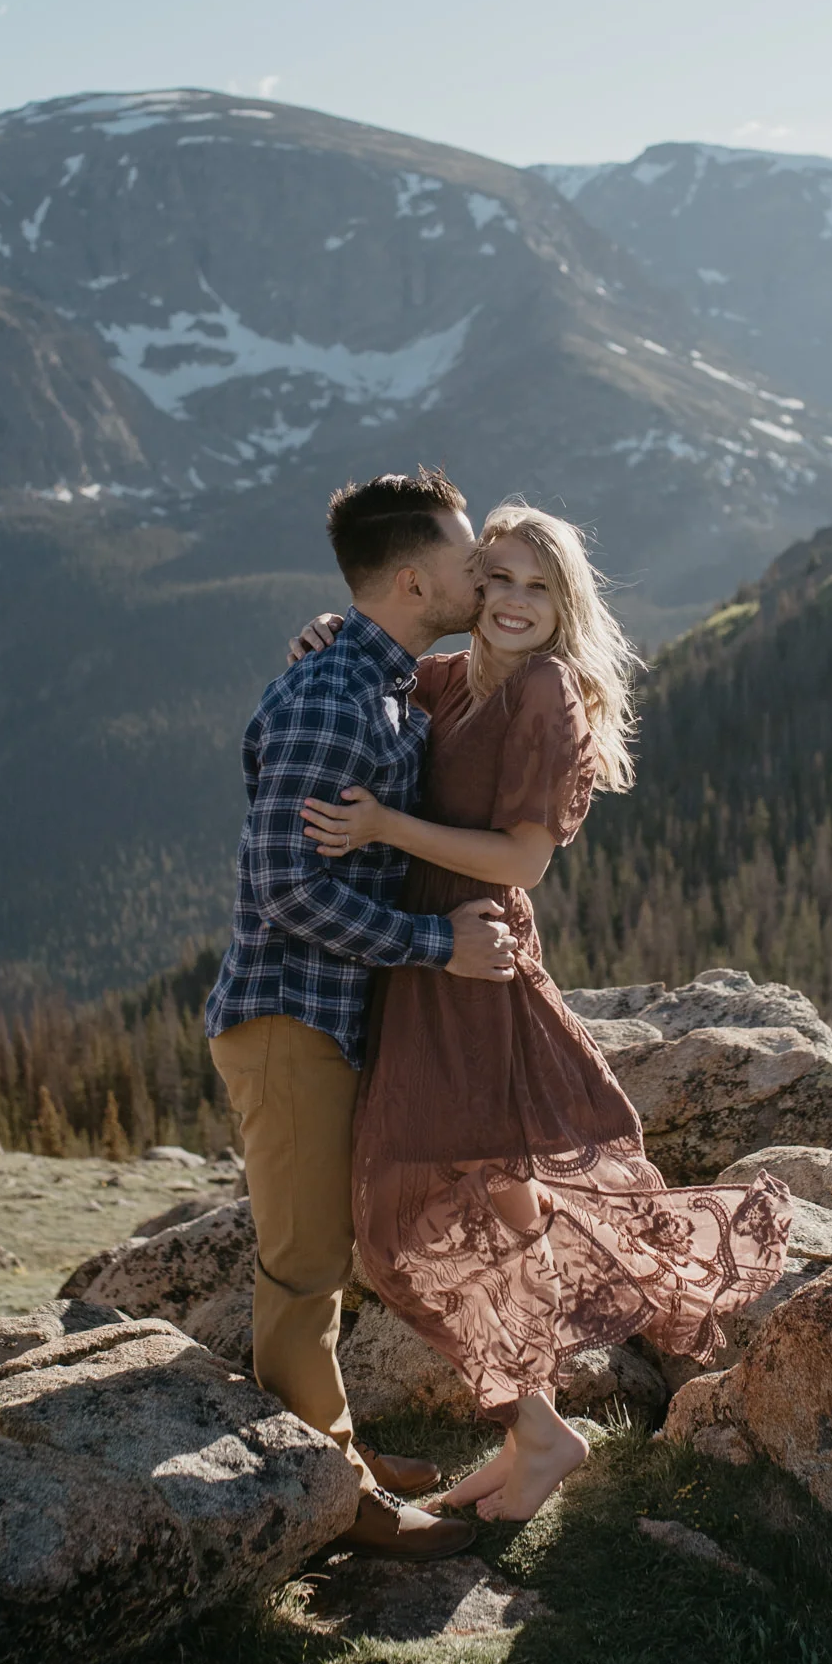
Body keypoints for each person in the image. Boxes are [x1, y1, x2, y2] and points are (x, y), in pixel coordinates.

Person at [293, 501, 793, 1523]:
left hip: (473, 963)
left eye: (538, 585)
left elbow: (525, 858)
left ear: (566, 602)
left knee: (405, 1216)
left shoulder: (548, 691)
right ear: (471, 586)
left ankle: (539, 1425)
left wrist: (385, 822)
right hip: (427, 963)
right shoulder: (455, 678)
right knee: (490, 1197)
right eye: (499, 578)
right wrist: (323, 638)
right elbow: (384, 657)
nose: (514, 602)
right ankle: (537, 1431)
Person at [205, 467, 518, 1561]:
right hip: (288, 1018)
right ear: (412, 575)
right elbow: (287, 889)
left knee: (327, 1253)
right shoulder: (333, 697)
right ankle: (337, 1498)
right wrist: (441, 945)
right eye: (470, 557)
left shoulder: (374, 678)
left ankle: (325, 1449)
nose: (482, 571)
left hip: (328, 1018)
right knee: (299, 1266)